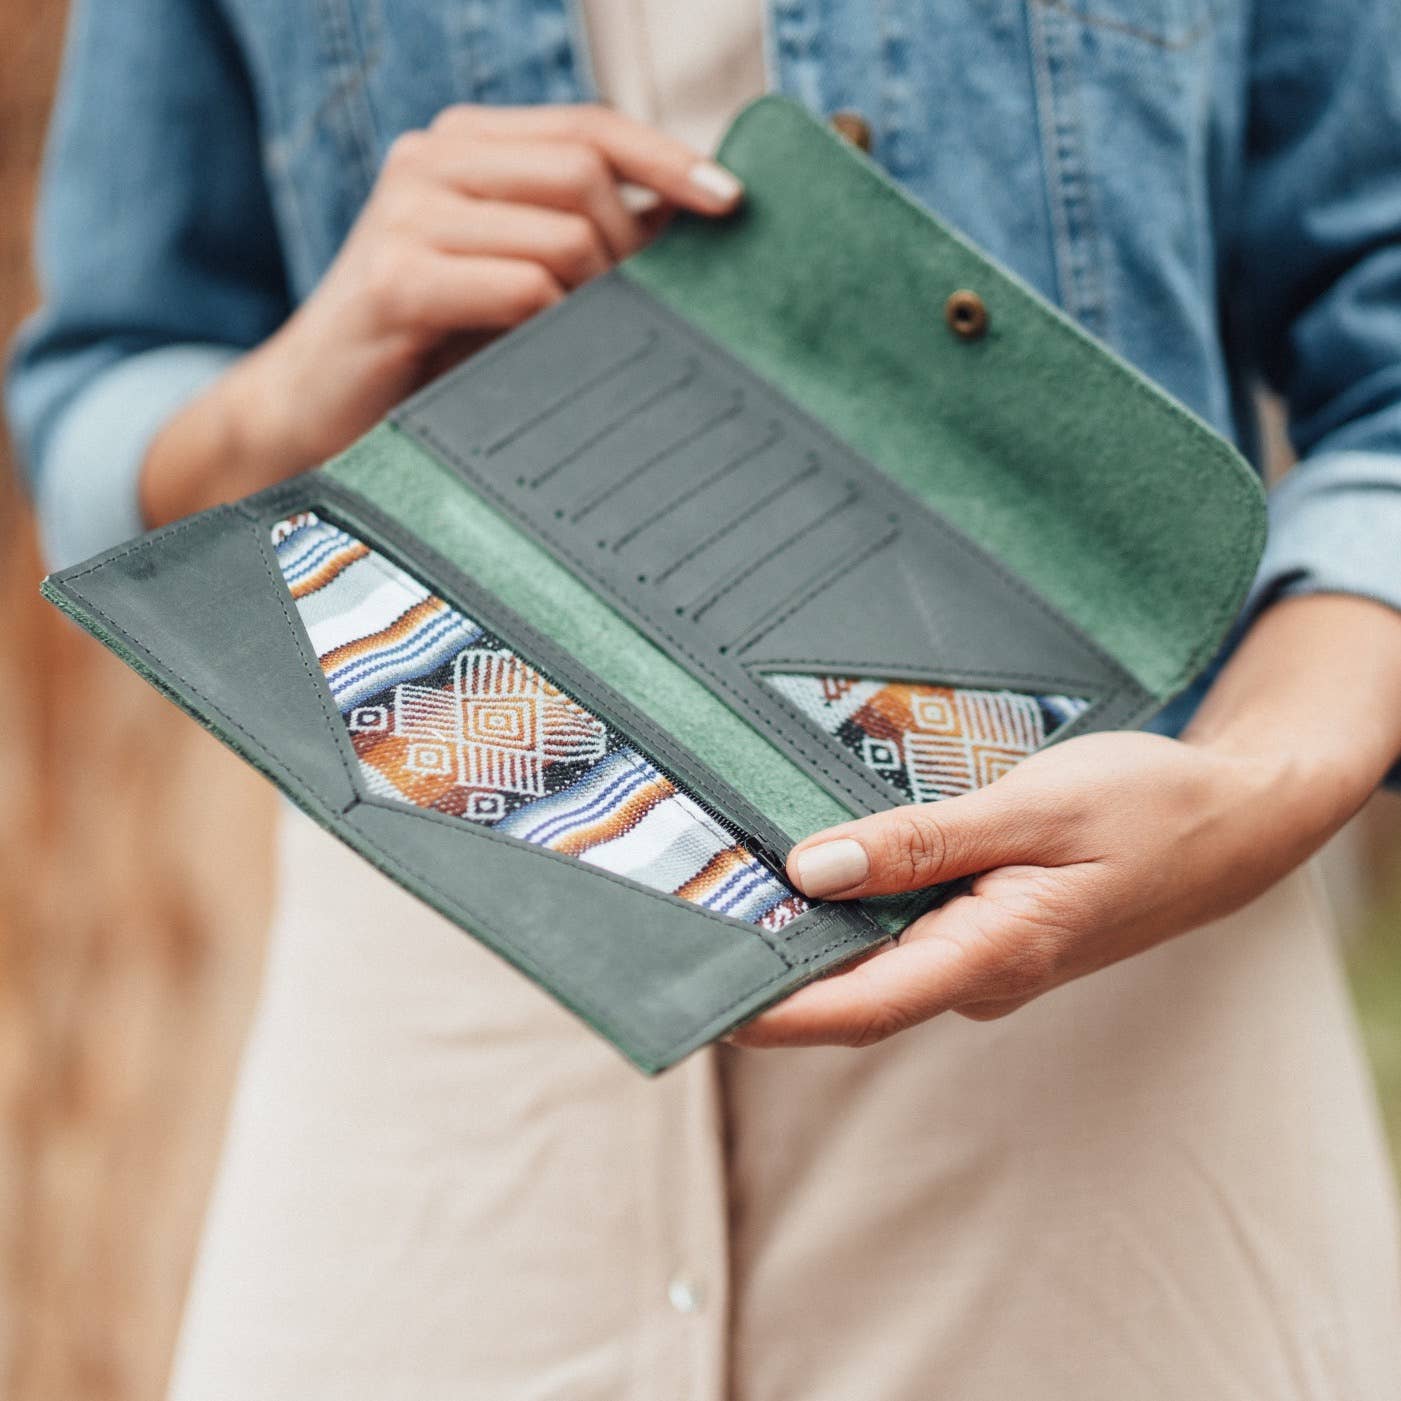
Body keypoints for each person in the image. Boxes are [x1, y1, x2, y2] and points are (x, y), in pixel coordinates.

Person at [9, 1, 1401, 1395]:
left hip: (1104, 1048)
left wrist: (1253, 786)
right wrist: (294, 388)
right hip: (448, 993)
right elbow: (102, 387)